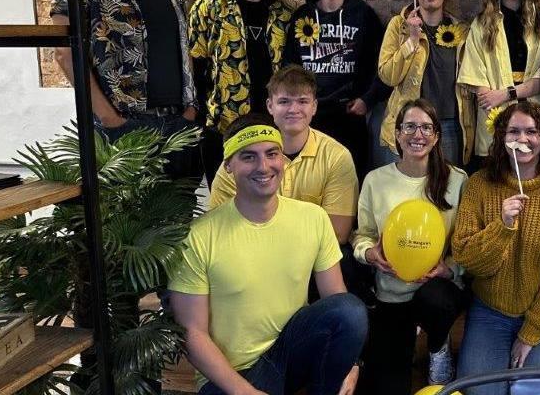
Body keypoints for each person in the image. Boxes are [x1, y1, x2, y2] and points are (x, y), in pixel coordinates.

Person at [168, 113, 367, 395]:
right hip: (232, 374)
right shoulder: (199, 236)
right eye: (248, 157)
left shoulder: (313, 218)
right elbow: (191, 333)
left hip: (289, 352)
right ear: (228, 166)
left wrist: (351, 362)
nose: (263, 166)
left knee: (351, 311)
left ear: (283, 158)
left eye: (272, 153)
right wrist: (244, 392)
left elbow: (337, 299)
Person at [50, 0, 199, 179]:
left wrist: (189, 110)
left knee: (178, 220)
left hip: (177, 123)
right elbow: (64, 50)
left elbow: (181, 44)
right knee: (125, 220)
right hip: (122, 125)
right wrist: (109, 118)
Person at [451, 102, 540, 394]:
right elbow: (468, 259)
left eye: (531, 132)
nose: (522, 139)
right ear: (501, 136)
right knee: (480, 391)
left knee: (533, 391)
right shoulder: (479, 184)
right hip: (492, 310)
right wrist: (502, 226)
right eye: (513, 131)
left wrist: (532, 331)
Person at [354, 100, 468, 394]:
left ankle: (438, 343)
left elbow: (466, 244)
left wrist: (449, 268)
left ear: (437, 136)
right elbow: (362, 235)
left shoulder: (456, 181)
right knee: (385, 387)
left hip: (437, 291)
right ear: (397, 133)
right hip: (391, 292)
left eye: (427, 127)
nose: (418, 134)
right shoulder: (375, 180)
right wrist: (369, 254)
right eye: (410, 126)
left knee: (435, 301)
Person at [208, 66, 359, 263]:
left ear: (314, 106)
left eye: (302, 101)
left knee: (344, 260)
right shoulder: (240, 158)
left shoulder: (337, 156)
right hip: (249, 257)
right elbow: (219, 226)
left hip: (311, 260)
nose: (293, 109)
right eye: (284, 101)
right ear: (270, 106)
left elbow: (338, 233)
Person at [189, 0, 294, 186]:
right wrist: (201, 118)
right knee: (225, 205)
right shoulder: (208, 9)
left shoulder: (283, 14)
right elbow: (193, 67)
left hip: (273, 129)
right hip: (223, 128)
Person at [284, 0, 387, 181]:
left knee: (350, 182)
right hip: (310, 117)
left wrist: (367, 100)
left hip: (350, 115)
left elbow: (382, 66)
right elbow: (290, 68)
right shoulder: (302, 16)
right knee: (309, 181)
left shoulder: (364, 16)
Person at [457, 0, 540, 168]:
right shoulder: (482, 24)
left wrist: (507, 94)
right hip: (495, 116)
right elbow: (475, 74)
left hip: (536, 110)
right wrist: (493, 101)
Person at [378, 0, 474, 167]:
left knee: (445, 192)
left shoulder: (462, 31)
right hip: (409, 125)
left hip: (448, 126)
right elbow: (387, 76)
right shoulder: (399, 26)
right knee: (404, 190)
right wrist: (411, 41)